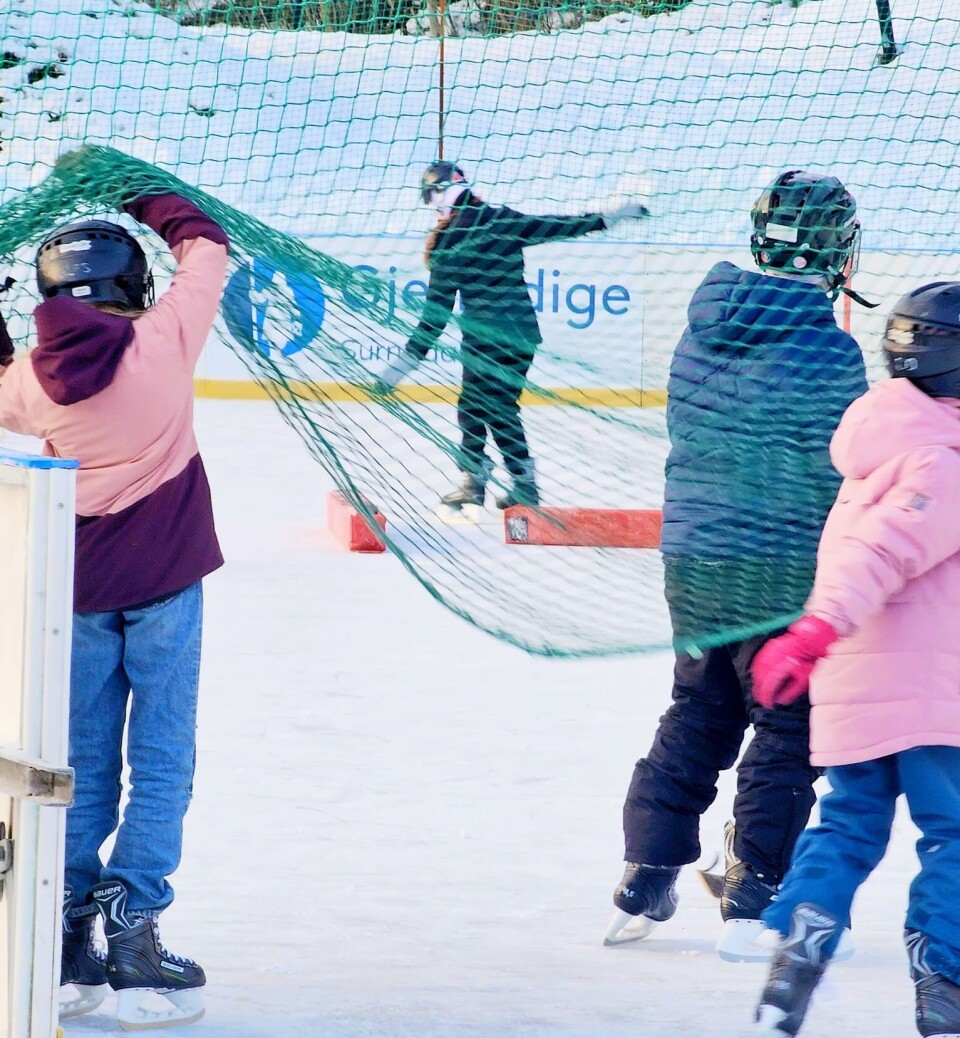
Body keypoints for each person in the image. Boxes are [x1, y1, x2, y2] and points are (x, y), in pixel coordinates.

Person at [604, 170, 868, 961]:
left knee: (700, 706)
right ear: (835, 253)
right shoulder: (830, 349)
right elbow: (845, 466)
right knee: (789, 721)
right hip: (779, 563)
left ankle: (645, 871)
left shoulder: (702, 327)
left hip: (693, 560)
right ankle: (757, 889)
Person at [0, 147, 229, 1030]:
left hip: (78, 594)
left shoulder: (28, 382)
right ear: (133, 283)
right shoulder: (166, 337)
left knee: (86, 761)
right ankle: (134, 935)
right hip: (169, 584)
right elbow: (204, 243)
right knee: (162, 761)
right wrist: (130, 186)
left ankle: (67, 938)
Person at [750, 282, 960, 1038]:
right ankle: (943, 984)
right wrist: (813, 630)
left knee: (845, 826)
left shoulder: (882, 442)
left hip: (860, 684)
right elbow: (878, 555)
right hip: (934, 696)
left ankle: (796, 961)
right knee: (956, 837)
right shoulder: (943, 461)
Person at [374, 159, 649, 521]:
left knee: (482, 408)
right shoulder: (498, 220)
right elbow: (558, 226)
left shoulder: (449, 245)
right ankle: (511, 482)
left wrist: (402, 366)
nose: (430, 208)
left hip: (487, 339)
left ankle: (484, 481)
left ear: (443, 194)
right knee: (490, 407)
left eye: (430, 197)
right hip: (519, 336)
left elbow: (435, 317)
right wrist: (610, 217)